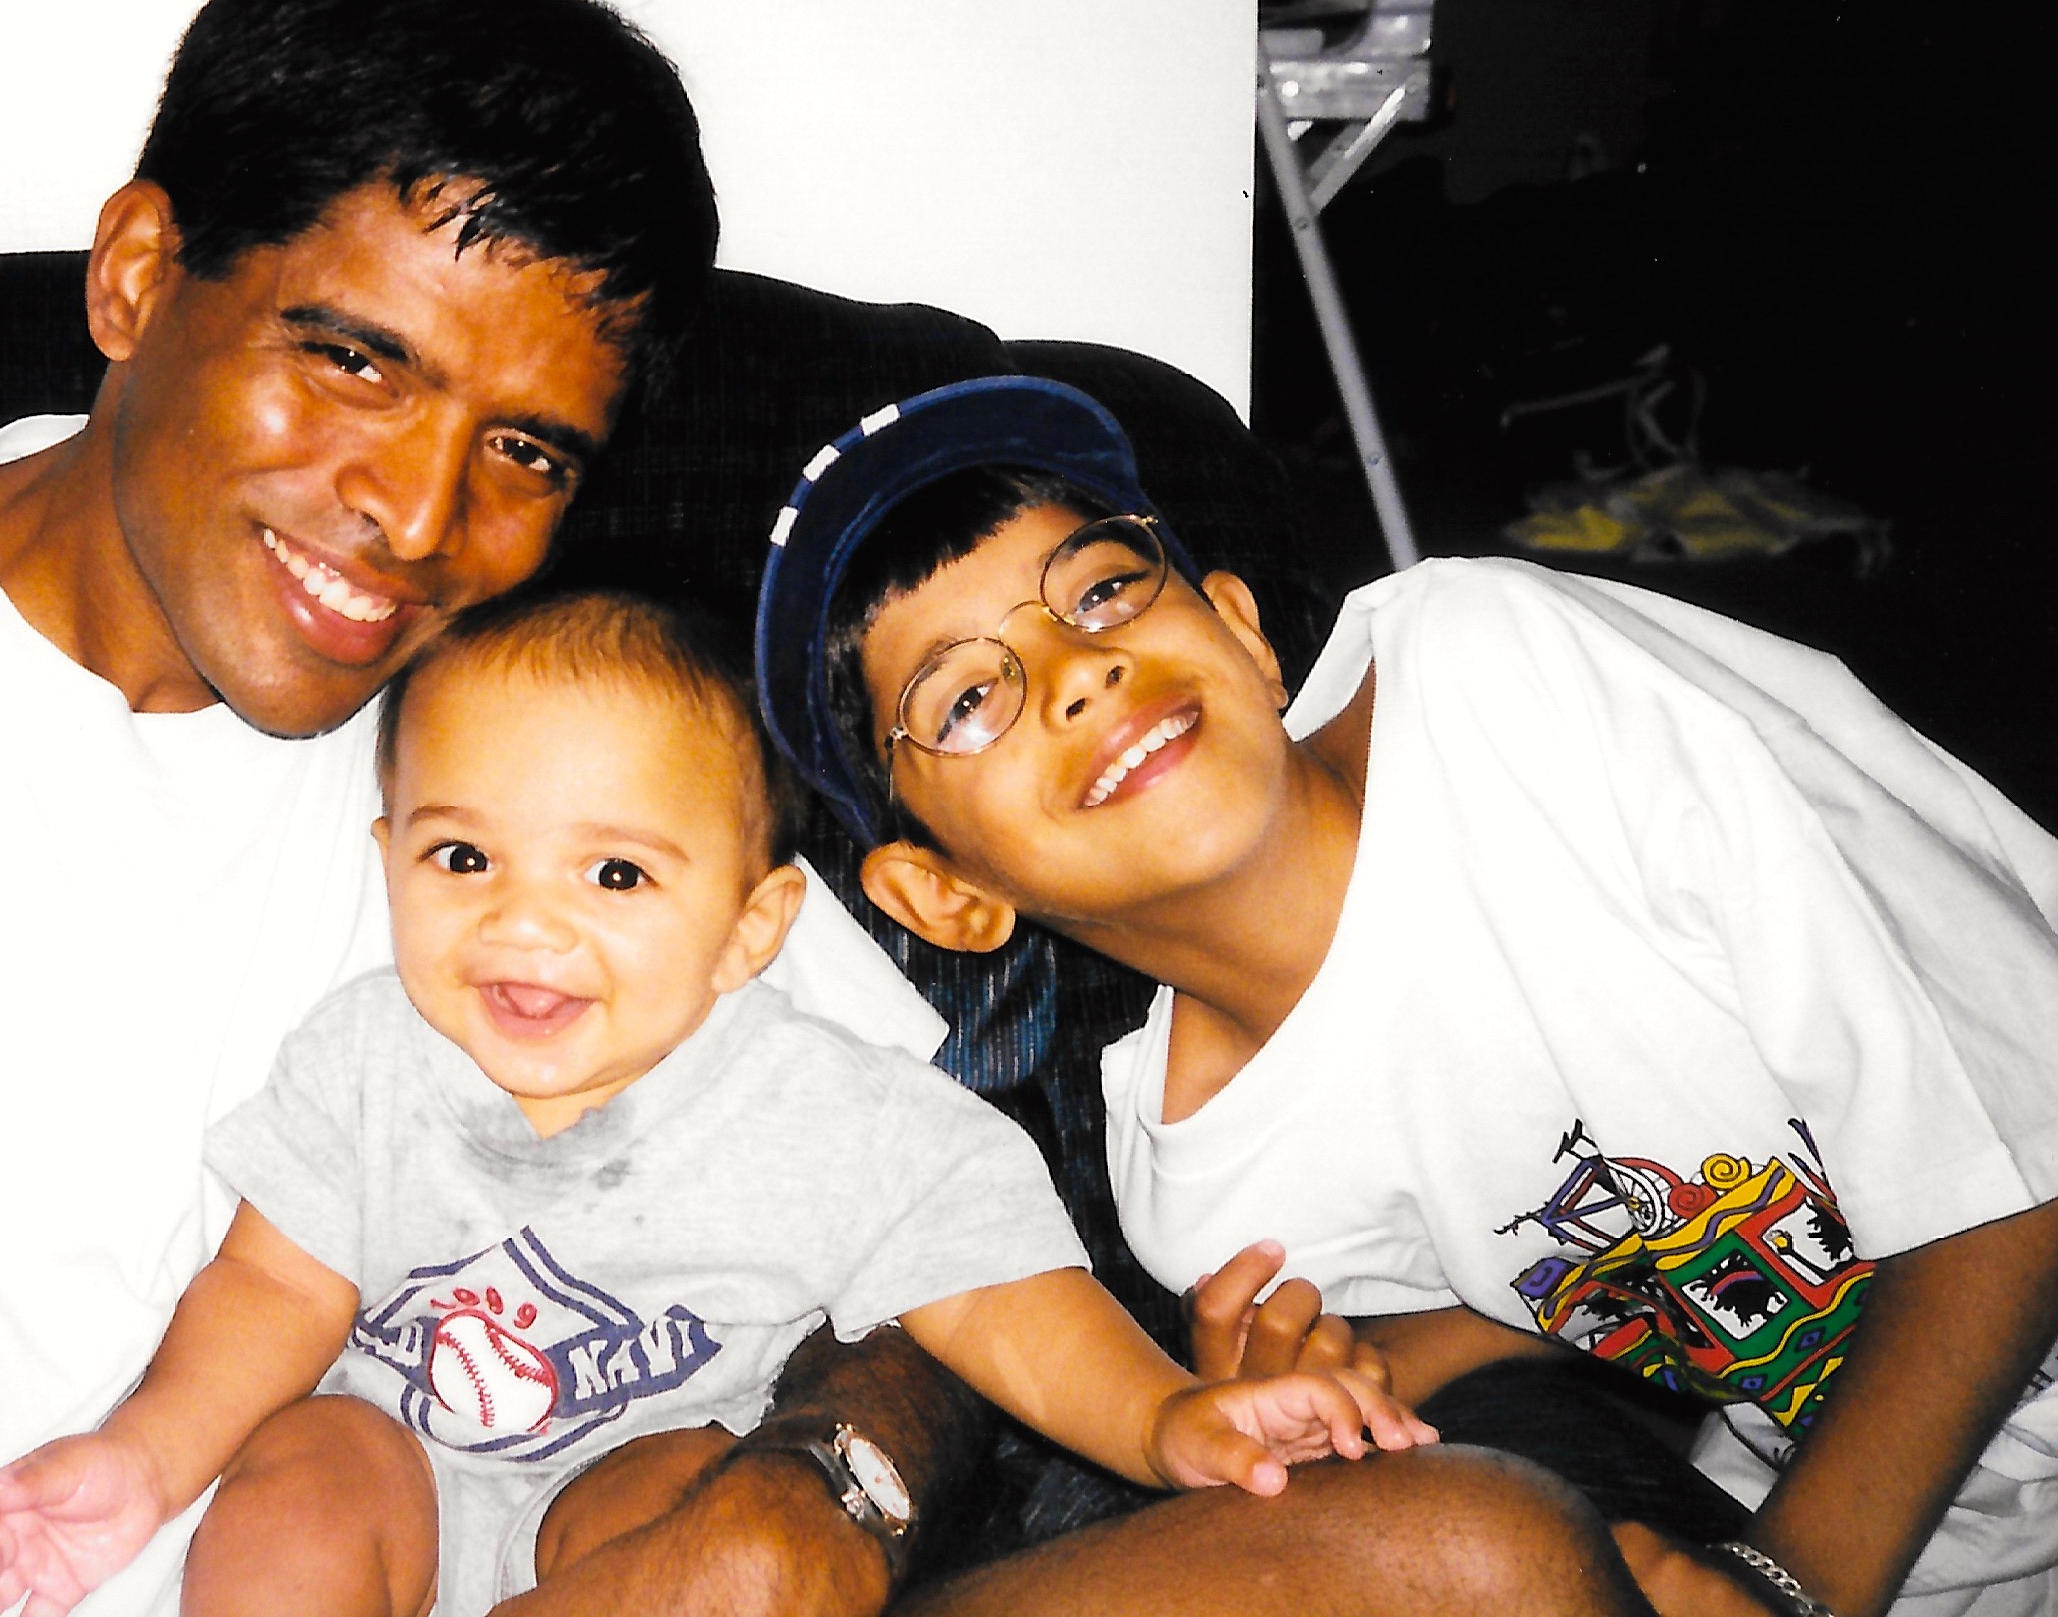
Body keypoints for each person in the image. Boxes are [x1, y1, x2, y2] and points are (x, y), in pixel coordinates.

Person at [0, 0, 1648, 1617]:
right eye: (351, 361)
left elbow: (913, 1220)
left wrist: (825, 1488)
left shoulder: (548, 740)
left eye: (527, 448)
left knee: (1479, 1559)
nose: (418, 518)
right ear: (138, 277)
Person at [754, 373, 2058, 1617]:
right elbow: (1566, 1278)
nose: (1075, 669)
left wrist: (1793, 1581)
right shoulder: (1203, 1190)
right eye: (966, 698)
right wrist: (1356, 1378)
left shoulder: (1509, 685)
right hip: (1945, 1543)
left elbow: (2019, 1140)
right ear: (942, 896)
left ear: (1243, 632)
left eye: (1099, 589)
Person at [0, 590, 1432, 1617]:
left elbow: (998, 1298)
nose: (525, 923)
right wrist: (137, 1463)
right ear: (387, 857)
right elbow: (269, 1287)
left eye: (615, 873)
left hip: (628, 1504)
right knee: (308, 1462)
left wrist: (1165, 1418)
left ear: (750, 928)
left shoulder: (823, 1110)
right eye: (463, 859)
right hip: (394, 1472)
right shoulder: (369, 1055)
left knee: (681, 1493)